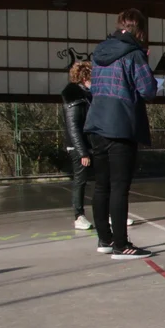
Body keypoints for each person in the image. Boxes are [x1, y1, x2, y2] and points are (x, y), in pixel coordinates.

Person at [83, 8, 156, 259]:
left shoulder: (99, 52)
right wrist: (145, 62)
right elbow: (148, 90)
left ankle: (104, 239)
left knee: (101, 185)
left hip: (97, 122)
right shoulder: (134, 54)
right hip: (121, 125)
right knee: (119, 187)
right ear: (140, 30)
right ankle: (121, 244)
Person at [61, 60, 94, 231]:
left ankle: (109, 214)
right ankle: (79, 216)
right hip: (79, 146)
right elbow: (73, 127)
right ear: (84, 78)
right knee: (80, 180)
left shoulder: (87, 95)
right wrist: (83, 152)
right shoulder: (73, 96)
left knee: (102, 179)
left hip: (89, 144)